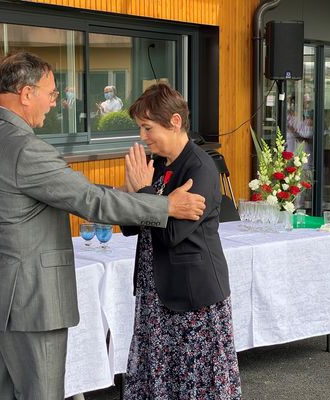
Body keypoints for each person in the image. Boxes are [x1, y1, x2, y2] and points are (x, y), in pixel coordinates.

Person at [0, 52, 206, 400]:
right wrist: (166, 205)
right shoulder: (24, 147)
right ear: (26, 93)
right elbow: (90, 201)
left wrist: (124, 193)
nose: (54, 100)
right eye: (51, 91)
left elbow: (77, 193)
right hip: (30, 301)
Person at [120, 83, 241, 399]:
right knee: (160, 379)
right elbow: (132, 227)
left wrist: (145, 195)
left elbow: (172, 235)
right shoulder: (158, 165)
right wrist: (133, 194)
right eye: (141, 129)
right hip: (155, 292)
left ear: (174, 122)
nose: (143, 137)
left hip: (191, 295)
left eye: (148, 128)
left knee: (196, 383)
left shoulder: (199, 166)